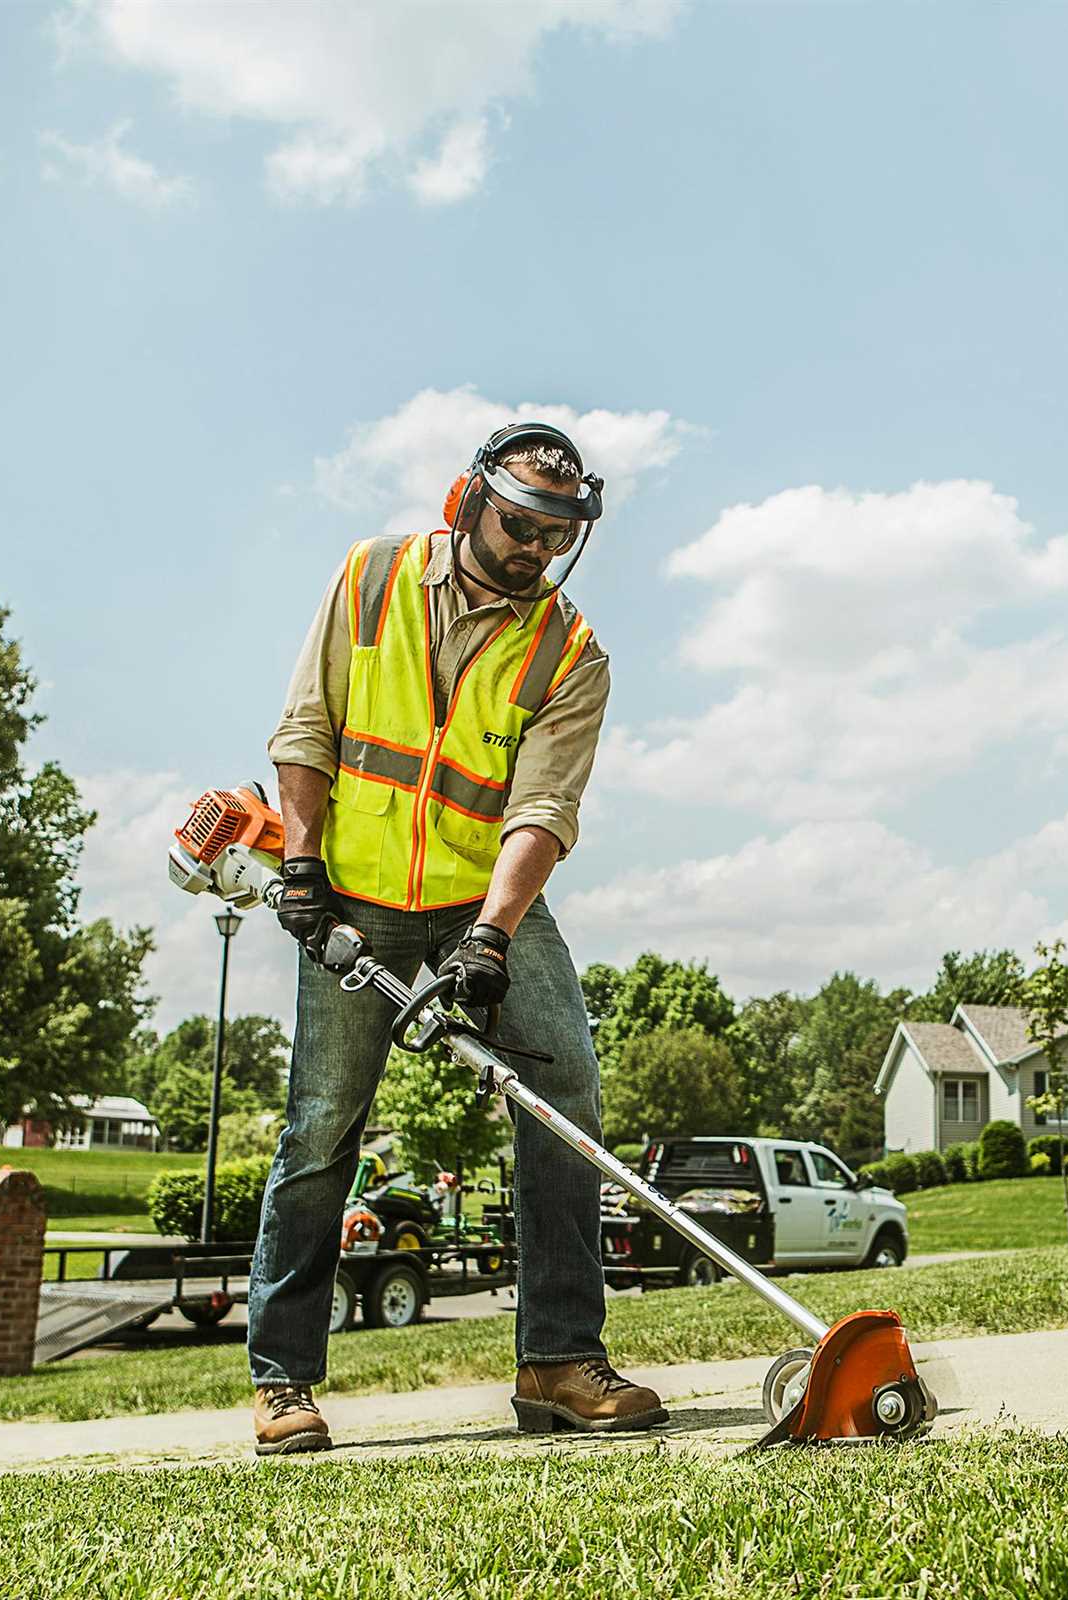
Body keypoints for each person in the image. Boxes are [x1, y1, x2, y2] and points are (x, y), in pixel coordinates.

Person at [248, 421, 666, 1454]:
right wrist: (301, 864)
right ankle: (284, 1379)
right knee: (320, 1127)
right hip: (356, 897)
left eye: (554, 535)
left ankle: (559, 1361)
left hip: (489, 902)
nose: (534, 550)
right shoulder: (370, 576)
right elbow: (308, 728)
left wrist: (489, 939)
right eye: (521, 525)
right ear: (464, 501)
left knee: (565, 1094)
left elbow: (543, 810)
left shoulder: (571, 650)